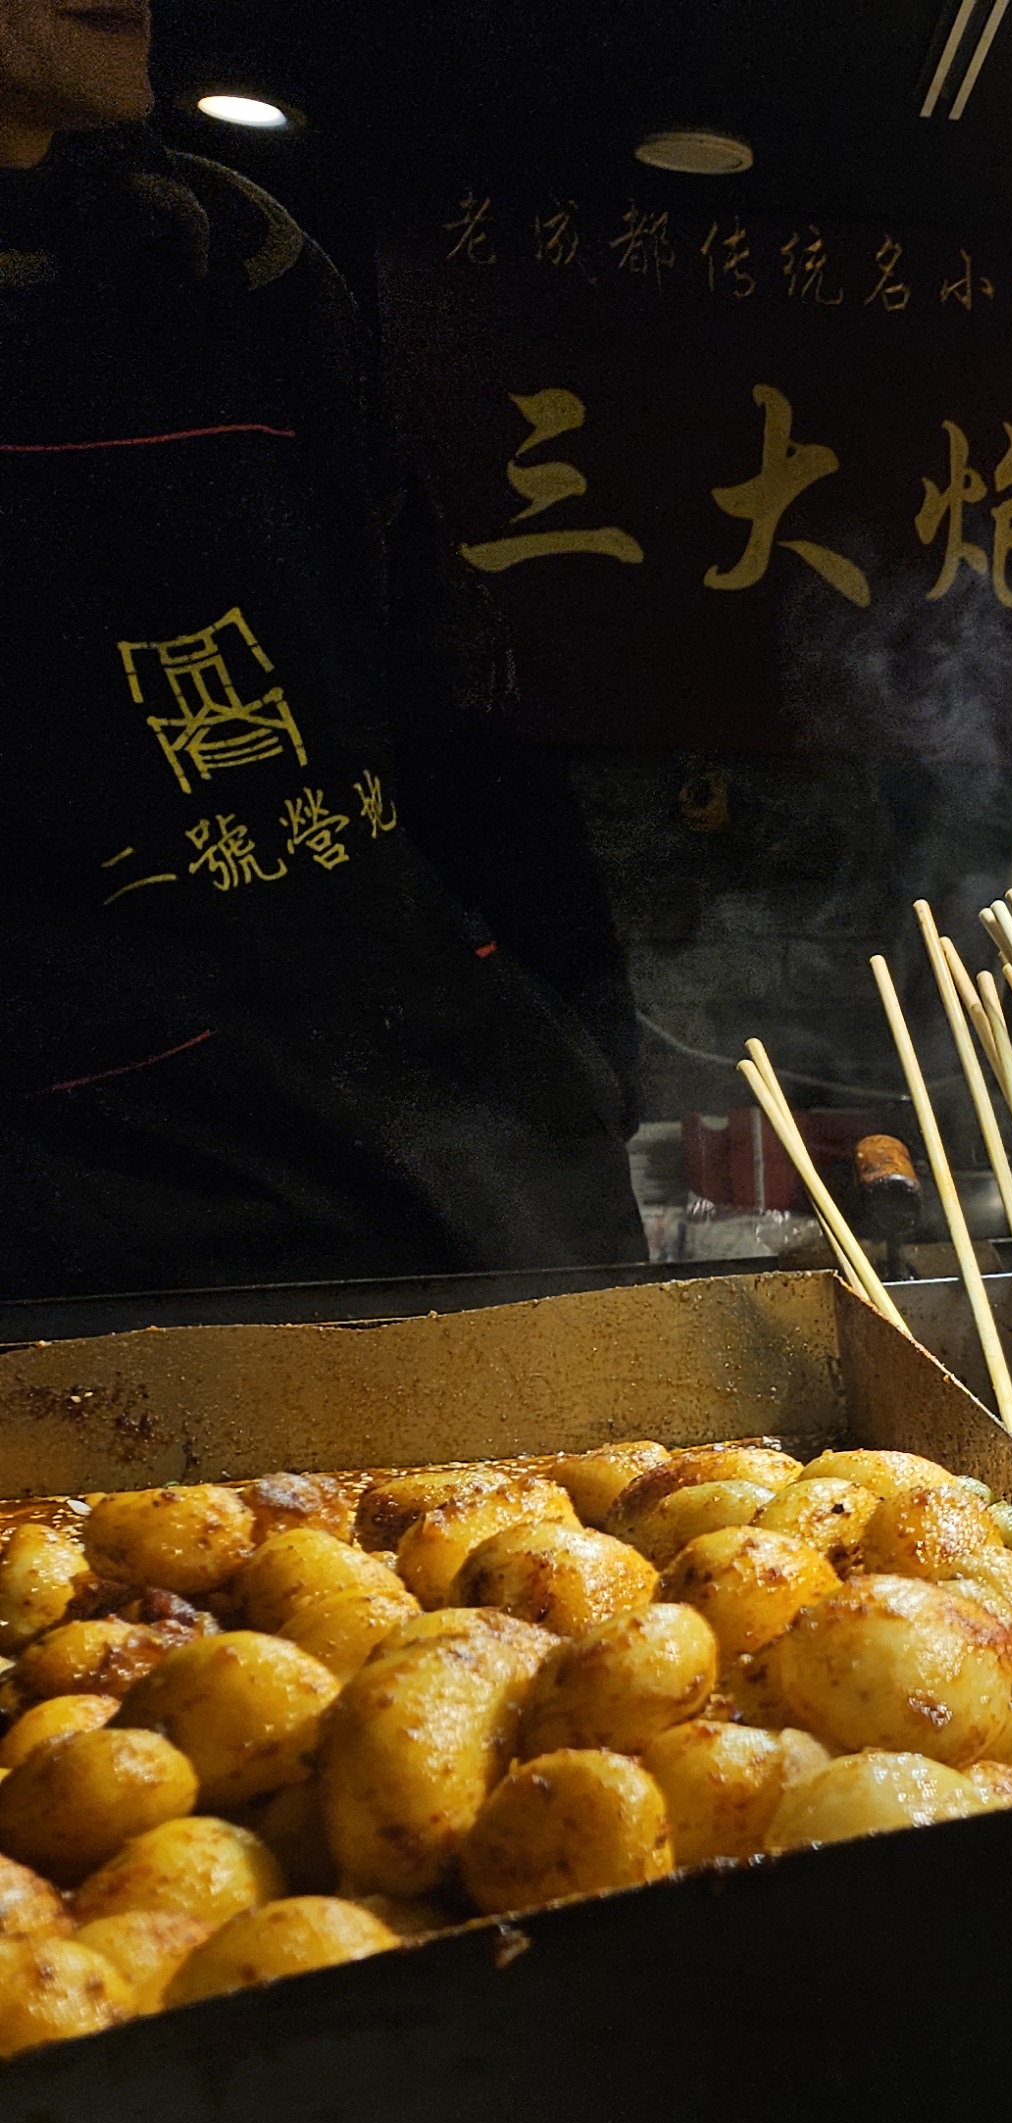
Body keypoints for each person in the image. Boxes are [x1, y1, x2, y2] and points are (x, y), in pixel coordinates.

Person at [0, 1, 644, 1301]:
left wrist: (570, 1039)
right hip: (100, 1261)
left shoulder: (237, 259)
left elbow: (433, 712)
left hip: (441, 1159)